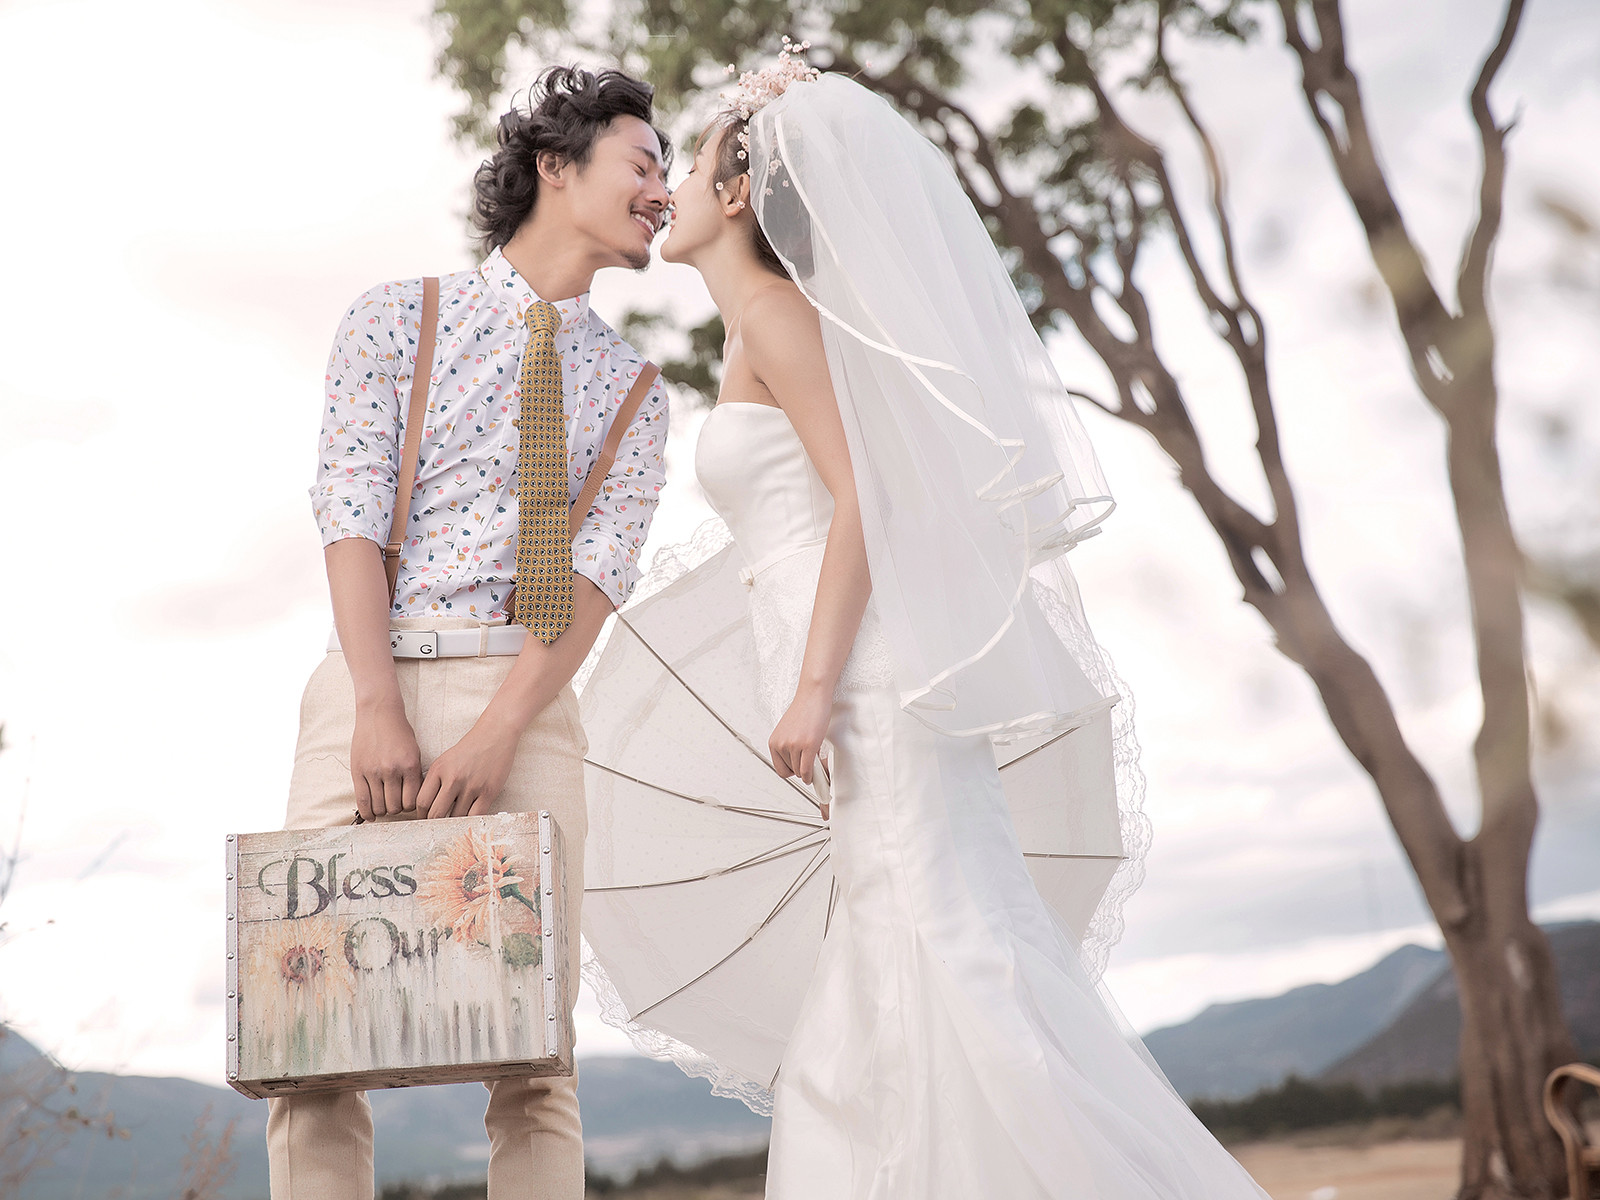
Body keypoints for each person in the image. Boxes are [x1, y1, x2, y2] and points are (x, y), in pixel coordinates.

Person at [611, 63, 1273, 1198]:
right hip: (845, 674)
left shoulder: (773, 315)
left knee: (938, 931)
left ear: (737, 194)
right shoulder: (750, 328)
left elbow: (867, 498)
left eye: (691, 156)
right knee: (913, 932)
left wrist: (814, 684)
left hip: (865, 682)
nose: (667, 186)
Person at [270, 65, 672, 1200]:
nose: (664, 192)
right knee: (309, 1027)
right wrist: (377, 703)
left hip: (527, 707)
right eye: (644, 163)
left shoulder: (637, 389)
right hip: (372, 677)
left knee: (536, 1056)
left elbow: (595, 578)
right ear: (556, 166)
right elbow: (351, 512)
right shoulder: (396, 316)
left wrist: (501, 728)